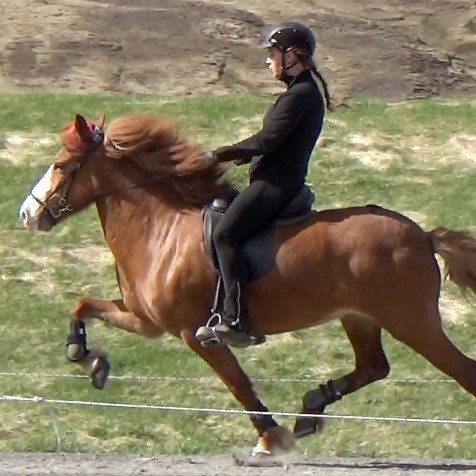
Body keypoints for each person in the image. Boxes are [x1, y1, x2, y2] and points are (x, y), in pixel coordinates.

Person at [195, 21, 332, 348]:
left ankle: (236, 319)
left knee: (225, 234)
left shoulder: (300, 96)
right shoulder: (300, 92)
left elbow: (266, 140)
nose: (267, 61)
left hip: (276, 185)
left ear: (292, 56)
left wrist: (218, 155)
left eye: (273, 54)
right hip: (276, 178)